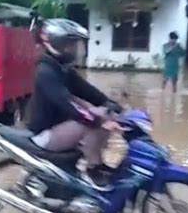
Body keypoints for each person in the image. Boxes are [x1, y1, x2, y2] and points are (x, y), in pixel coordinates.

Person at [27, 19, 122, 189]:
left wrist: (110, 104)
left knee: (105, 115)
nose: (75, 49)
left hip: (60, 128)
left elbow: (86, 90)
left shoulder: (61, 68)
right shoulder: (46, 71)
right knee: (91, 124)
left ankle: (95, 164)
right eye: (71, 44)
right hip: (44, 134)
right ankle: (94, 169)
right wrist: (96, 119)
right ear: (58, 43)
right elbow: (68, 105)